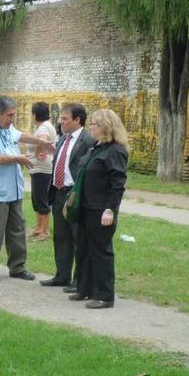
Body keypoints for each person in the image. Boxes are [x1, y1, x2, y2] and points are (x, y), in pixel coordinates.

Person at [0, 96, 55, 283]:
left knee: (17, 228)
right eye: (10, 115)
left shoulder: (7, 127)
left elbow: (19, 135)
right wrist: (19, 159)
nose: (12, 119)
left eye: (14, 115)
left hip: (14, 188)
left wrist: (41, 142)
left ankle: (18, 267)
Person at [68, 109, 129, 309]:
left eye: (94, 124)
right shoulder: (97, 147)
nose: (90, 127)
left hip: (101, 210)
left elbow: (118, 184)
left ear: (105, 127)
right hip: (86, 207)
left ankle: (104, 295)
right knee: (84, 249)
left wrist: (110, 209)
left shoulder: (116, 151)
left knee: (100, 251)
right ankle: (85, 288)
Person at [40, 103, 94, 289]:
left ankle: (78, 280)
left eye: (65, 119)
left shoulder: (87, 140)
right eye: (61, 118)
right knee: (61, 237)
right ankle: (61, 276)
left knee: (77, 237)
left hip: (75, 194)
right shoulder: (63, 138)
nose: (60, 122)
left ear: (77, 120)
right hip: (59, 193)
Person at [26, 102, 57, 241]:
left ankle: (45, 231)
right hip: (38, 168)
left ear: (34, 115)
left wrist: (39, 150)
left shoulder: (44, 127)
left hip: (42, 169)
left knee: (41, 199)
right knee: (36, 198)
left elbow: (44, 140)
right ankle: (38, 228)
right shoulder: (45, 125)